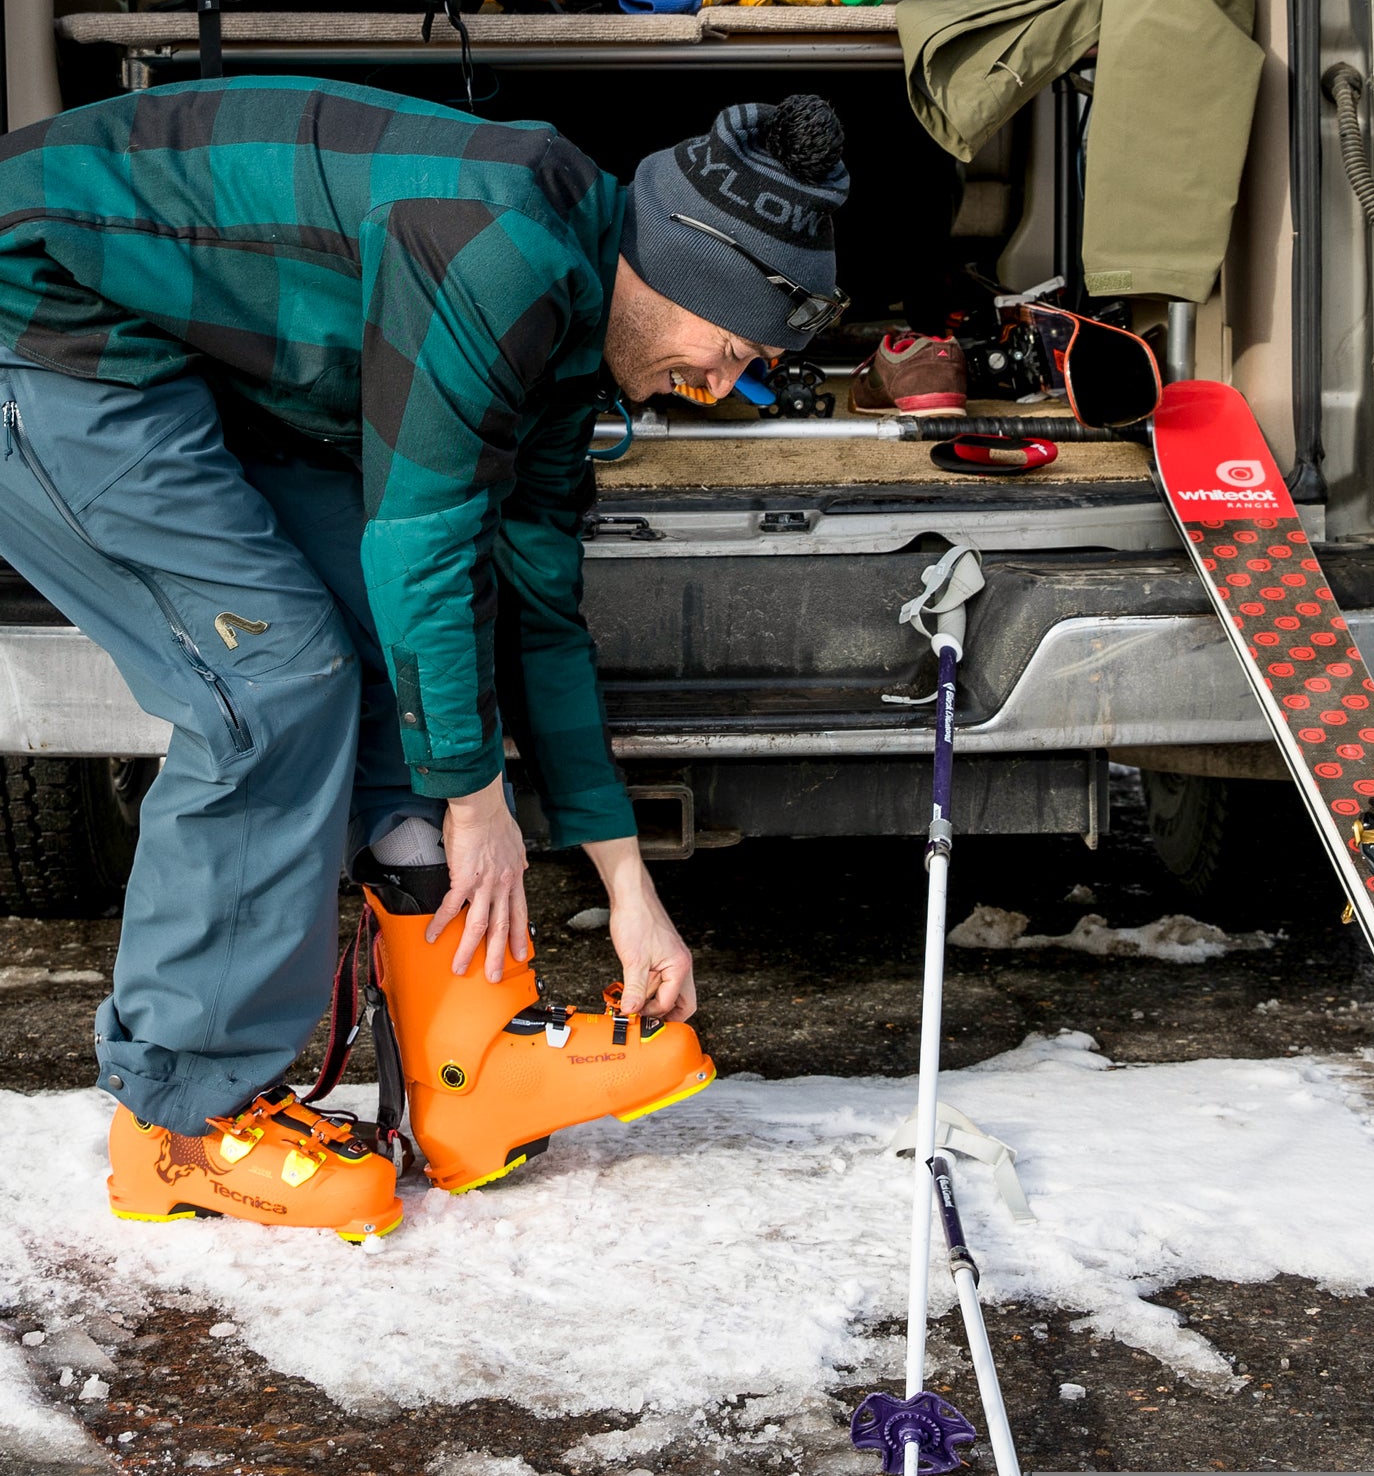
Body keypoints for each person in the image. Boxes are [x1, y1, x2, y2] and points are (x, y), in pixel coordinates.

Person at [0, 78, 849, 1237]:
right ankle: (182, 1125)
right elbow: (419, 542)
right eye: (728, 345)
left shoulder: (567, 331)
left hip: (167, 342)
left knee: (411, 656)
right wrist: (474, 795)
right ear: (678, 267)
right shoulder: (499, 254)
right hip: (42, 317)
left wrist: (627, 885)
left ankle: (470, 1071)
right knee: (274, 678)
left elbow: (534, 612)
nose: (722, 384)